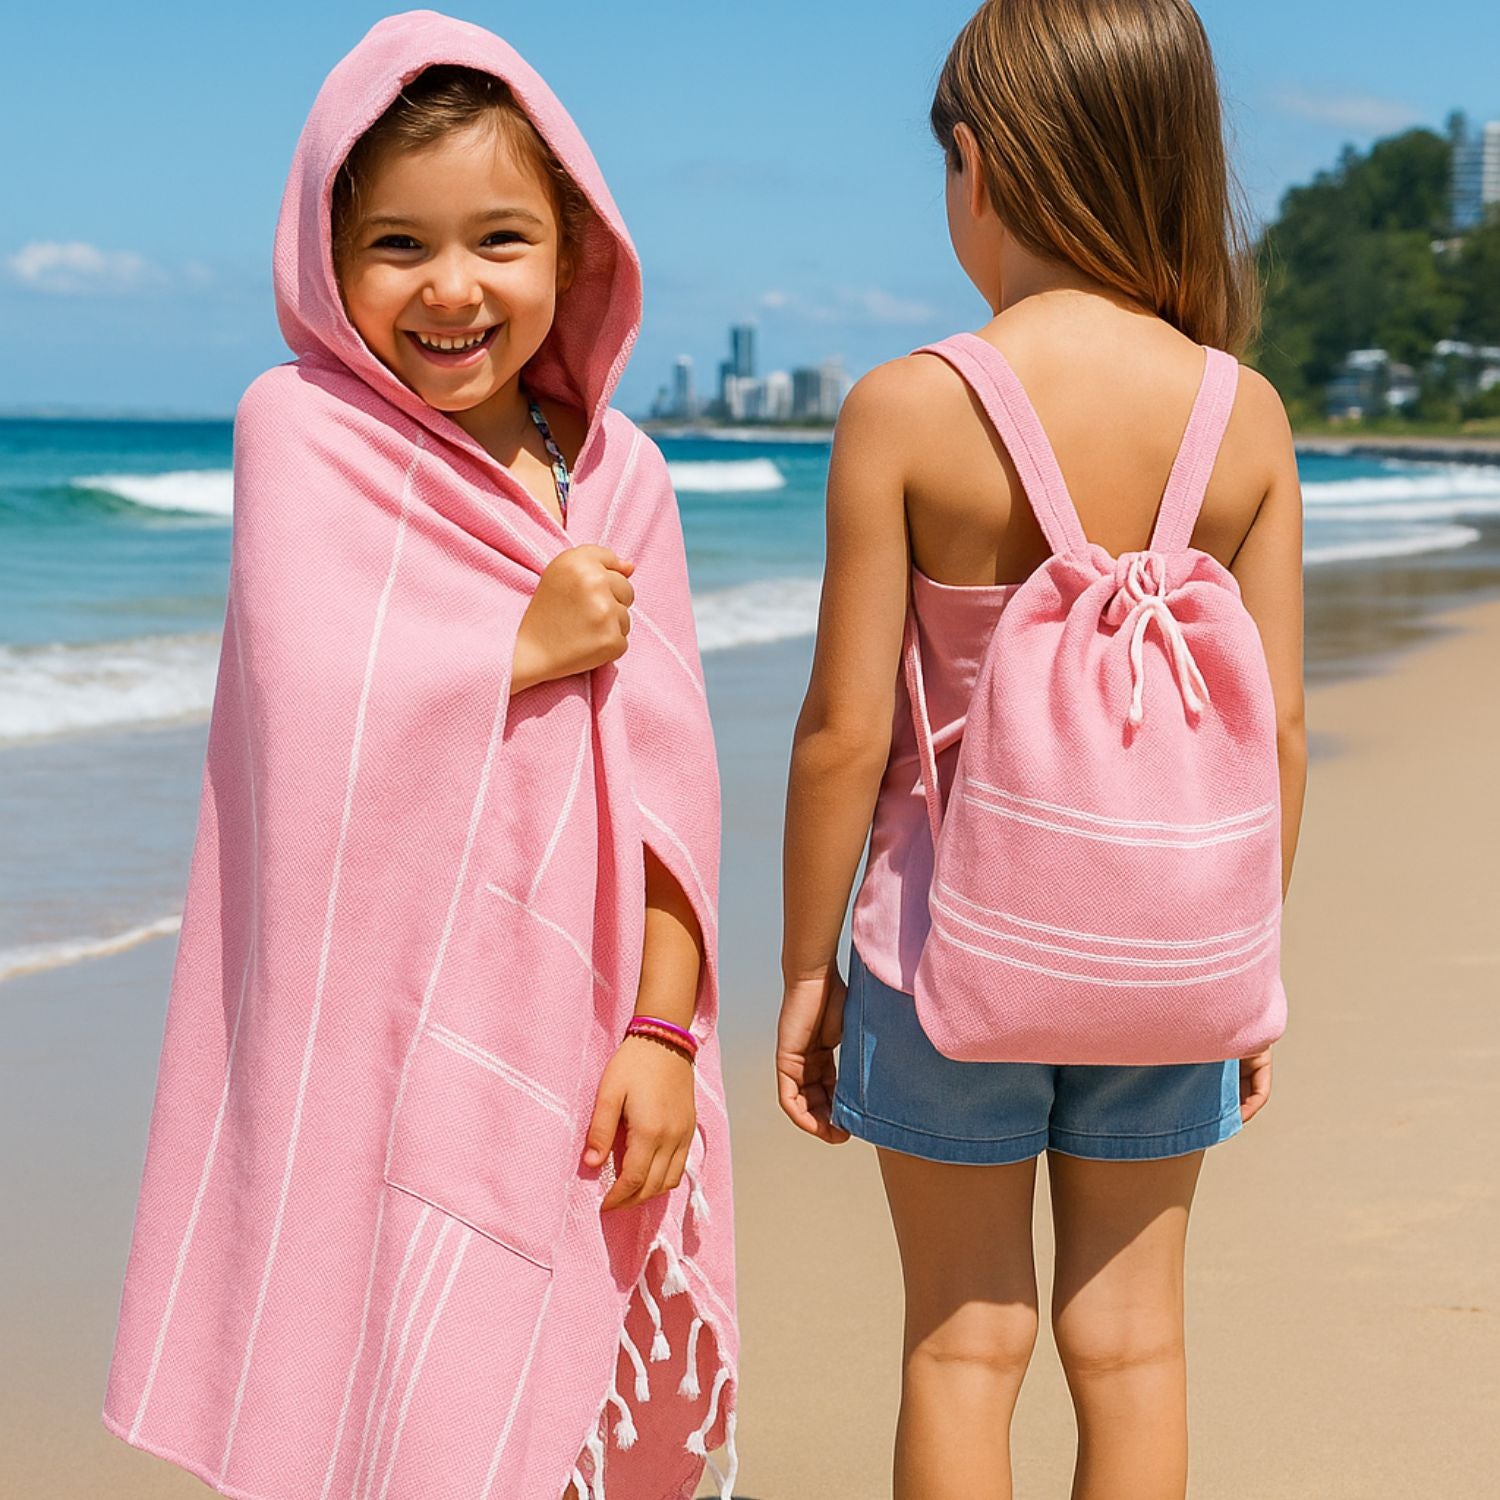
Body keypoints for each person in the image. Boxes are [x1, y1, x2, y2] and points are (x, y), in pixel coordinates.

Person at [102, 14, 737, 1500]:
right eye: (397, 246)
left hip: (577, 1034)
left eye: (500, 239)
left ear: (572, 252)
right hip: (378, 1030)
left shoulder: (617, 473)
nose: (452, 290)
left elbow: (673, 791)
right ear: (329, 259)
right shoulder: (299, 432)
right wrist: (520, 648)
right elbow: (302, 700)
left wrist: (662, 1032)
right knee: (394, 1396)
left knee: (567, 1403)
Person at [776, 2, 1305, 1496]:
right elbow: (1280, 727)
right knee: (1134, 1343)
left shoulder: (909, 409)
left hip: (947, 952)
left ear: (979, 164)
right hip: (1175, 953)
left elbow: (843, 733)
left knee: (964, 1337)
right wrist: (1249, 964)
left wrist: (808, 971)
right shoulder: (1244, 418)